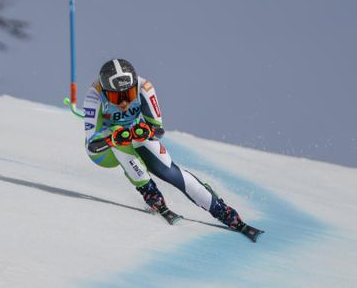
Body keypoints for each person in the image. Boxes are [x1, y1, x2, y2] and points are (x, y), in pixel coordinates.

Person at [83, 58, 263, 242]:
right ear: (105, 92)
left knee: (169, 171)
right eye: (115, 97)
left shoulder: (144, 88)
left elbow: (158, 130)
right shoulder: (93, 96)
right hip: (105, 154)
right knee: (118, 135)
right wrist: (114, 137)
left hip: (134, 135)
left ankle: (221, 210)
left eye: (127, 95)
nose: (123, 103)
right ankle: (149, 190)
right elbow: (93, 145)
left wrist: (147, 130)